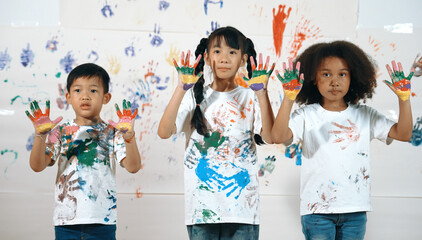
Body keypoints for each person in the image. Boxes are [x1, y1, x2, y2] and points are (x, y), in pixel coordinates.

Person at [272, 40, 413, 240]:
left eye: (342, 74)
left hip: (355, 210)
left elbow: (404, 134)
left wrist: (404, 99)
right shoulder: (306, 115)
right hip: (316, 211)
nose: (335, 81)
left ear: (352, 78)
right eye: (326, 74)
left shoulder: (365, 115)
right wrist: (288, 98)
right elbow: (278, 136)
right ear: (313, 78)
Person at [157, 26, 275, 240]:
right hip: (203, 211)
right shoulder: (193, 95)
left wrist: (262, 94)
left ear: (243, 60)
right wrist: (180, 88)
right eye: (217, 51)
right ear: (207, 57)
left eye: (232, 52)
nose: (224, 58)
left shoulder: (251, 96)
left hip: (243, 211)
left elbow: (269, 137)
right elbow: (164, 132)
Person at [26, 63, 141, 240]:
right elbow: (37, 166)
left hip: (103, 222)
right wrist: (39, 135)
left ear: (106, 97)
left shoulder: (112, 132)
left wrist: (129, 137)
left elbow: (133, 167)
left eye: (93, 91)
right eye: (78, 90)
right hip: (66, 222)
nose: (85, 96)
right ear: (68, 97)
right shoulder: (61, 132)